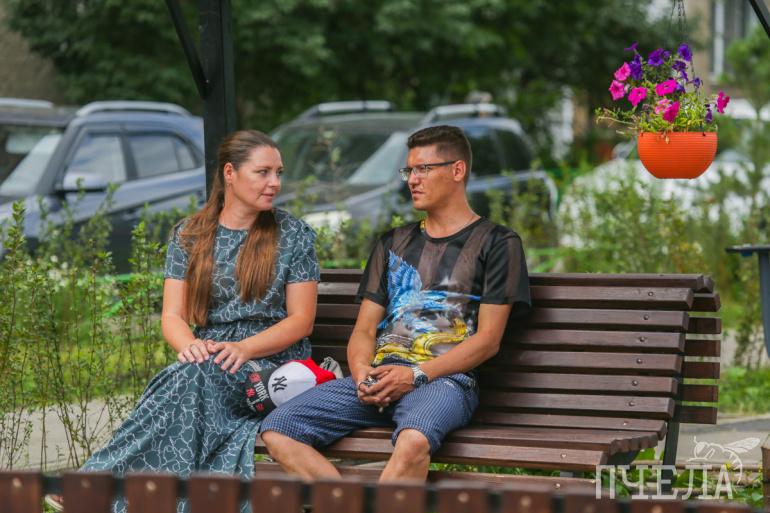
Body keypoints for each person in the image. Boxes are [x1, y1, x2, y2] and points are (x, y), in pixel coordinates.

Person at [45, 130, 319, 512]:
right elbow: (172, 316)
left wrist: (243, 348)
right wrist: (189, 346)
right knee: (188, 375)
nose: (274, 182)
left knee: (189, 379)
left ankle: (91, 484)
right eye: (263, 172)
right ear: (230, 173)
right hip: (209, 358)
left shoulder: (293, 235)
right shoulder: (190, 235)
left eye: (278, 173)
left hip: (271, 363)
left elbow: (302, 321)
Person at [260, 125, 530, 481]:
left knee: (414, 440)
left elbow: (488, 340)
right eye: (409, 170)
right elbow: (364, 330)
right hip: (379, 379)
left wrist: (415, 375)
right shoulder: (392, 243)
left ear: (457, 170)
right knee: (278, 429)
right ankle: (346, 505)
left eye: (424, 169)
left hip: (442, 381)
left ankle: (367, 504)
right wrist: (361, 373)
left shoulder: (497, 243)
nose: (412, 180)